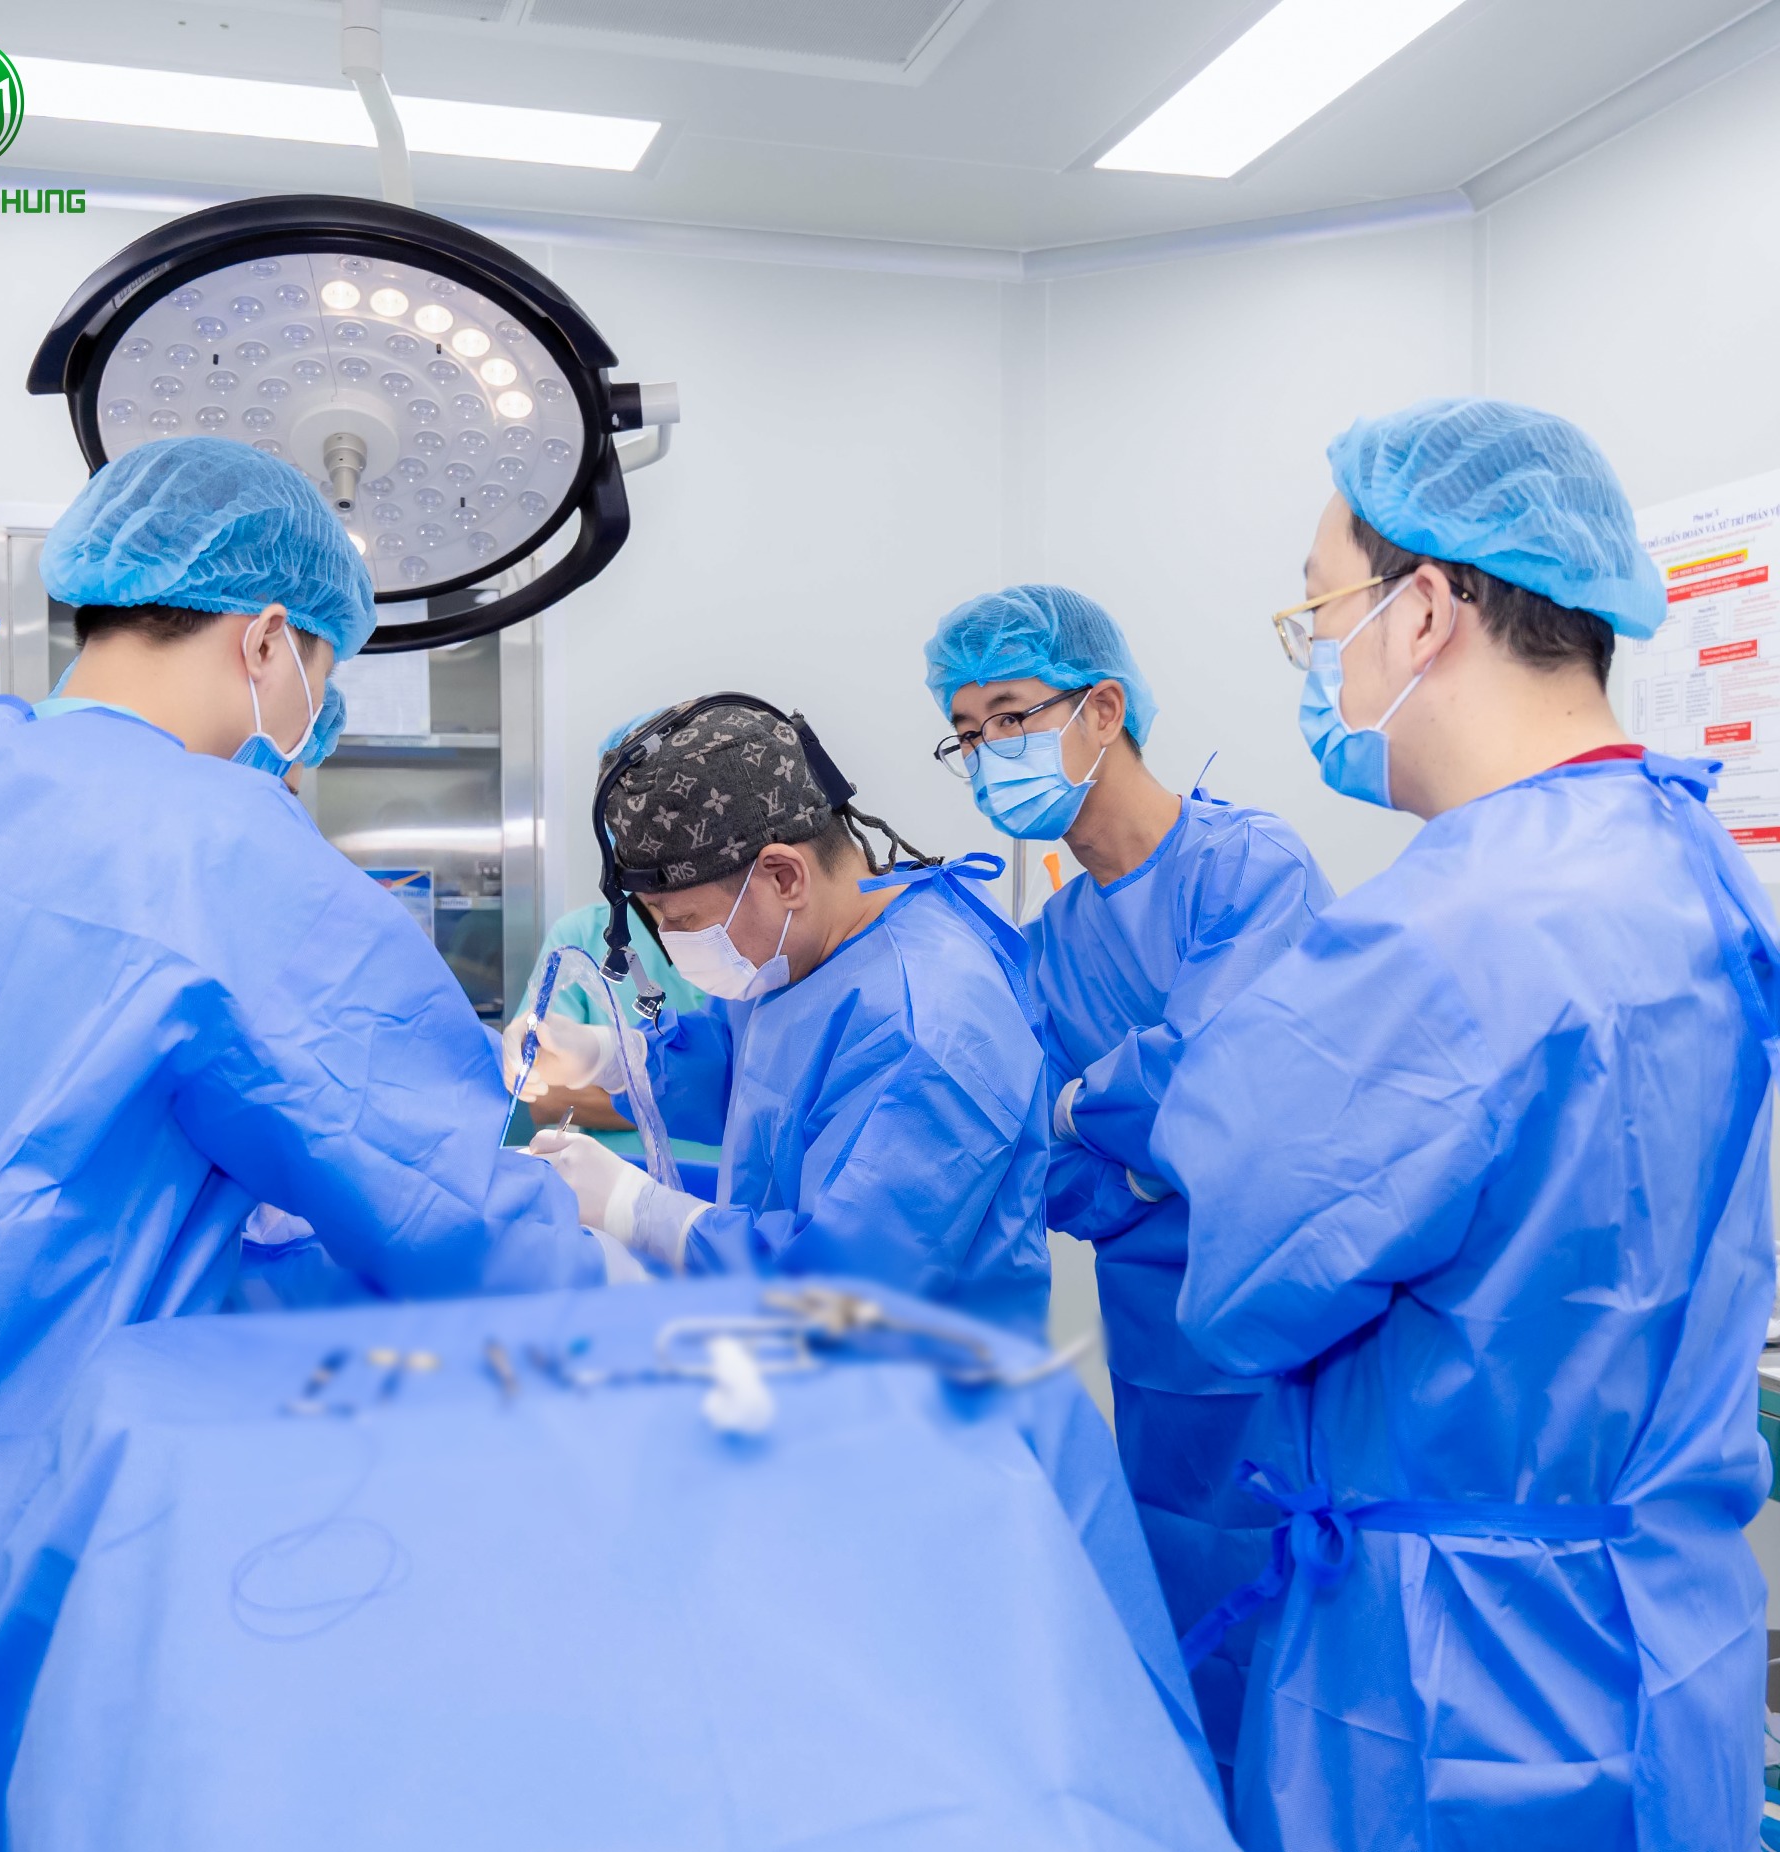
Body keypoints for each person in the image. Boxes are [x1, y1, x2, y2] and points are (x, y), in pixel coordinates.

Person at [0, 435, 601, 1852]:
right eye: (323, 676)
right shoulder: (220, 852)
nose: (312, 720)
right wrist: (633, 1314)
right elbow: (455, 1218)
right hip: (59, 1565)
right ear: (267, 638)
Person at [1154, 398, 1774, 1852]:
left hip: (1458, 1704)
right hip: (1666, 1645)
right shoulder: (1697, 865)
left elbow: (1244, 1285)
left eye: (1320, 611)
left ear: (1424, 608)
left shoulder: (1450, 928)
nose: (1319, 657)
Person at [923, 584, 1331, 1786]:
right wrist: (1143, 1163)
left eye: (1010, 716)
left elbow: (1214, 1081)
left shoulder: (1248, 869)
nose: (987, 753)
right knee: (1184, 1637)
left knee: (1301, 1654)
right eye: (966, 733)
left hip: (1286, 1338)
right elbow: (1039, 1161)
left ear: (1101, 708)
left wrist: (1100, 1115)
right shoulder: (1049, 940)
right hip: (1157, 1354)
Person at [505, 698, 1053, 1331]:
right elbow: (752, 1072)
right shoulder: (810, 948)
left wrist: (645, 1213)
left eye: (682, 920)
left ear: (785, 876)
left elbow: (846, 1294)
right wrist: (613, 1057)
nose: (673, 945)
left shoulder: (927, 1022)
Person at [511, 713, 710, 1130]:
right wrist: (602, 1059)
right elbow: (548, 1097)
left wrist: (640, 1088)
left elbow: (746, 1083)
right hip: (617, 1164)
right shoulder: (581, 936)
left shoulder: (751, 937)